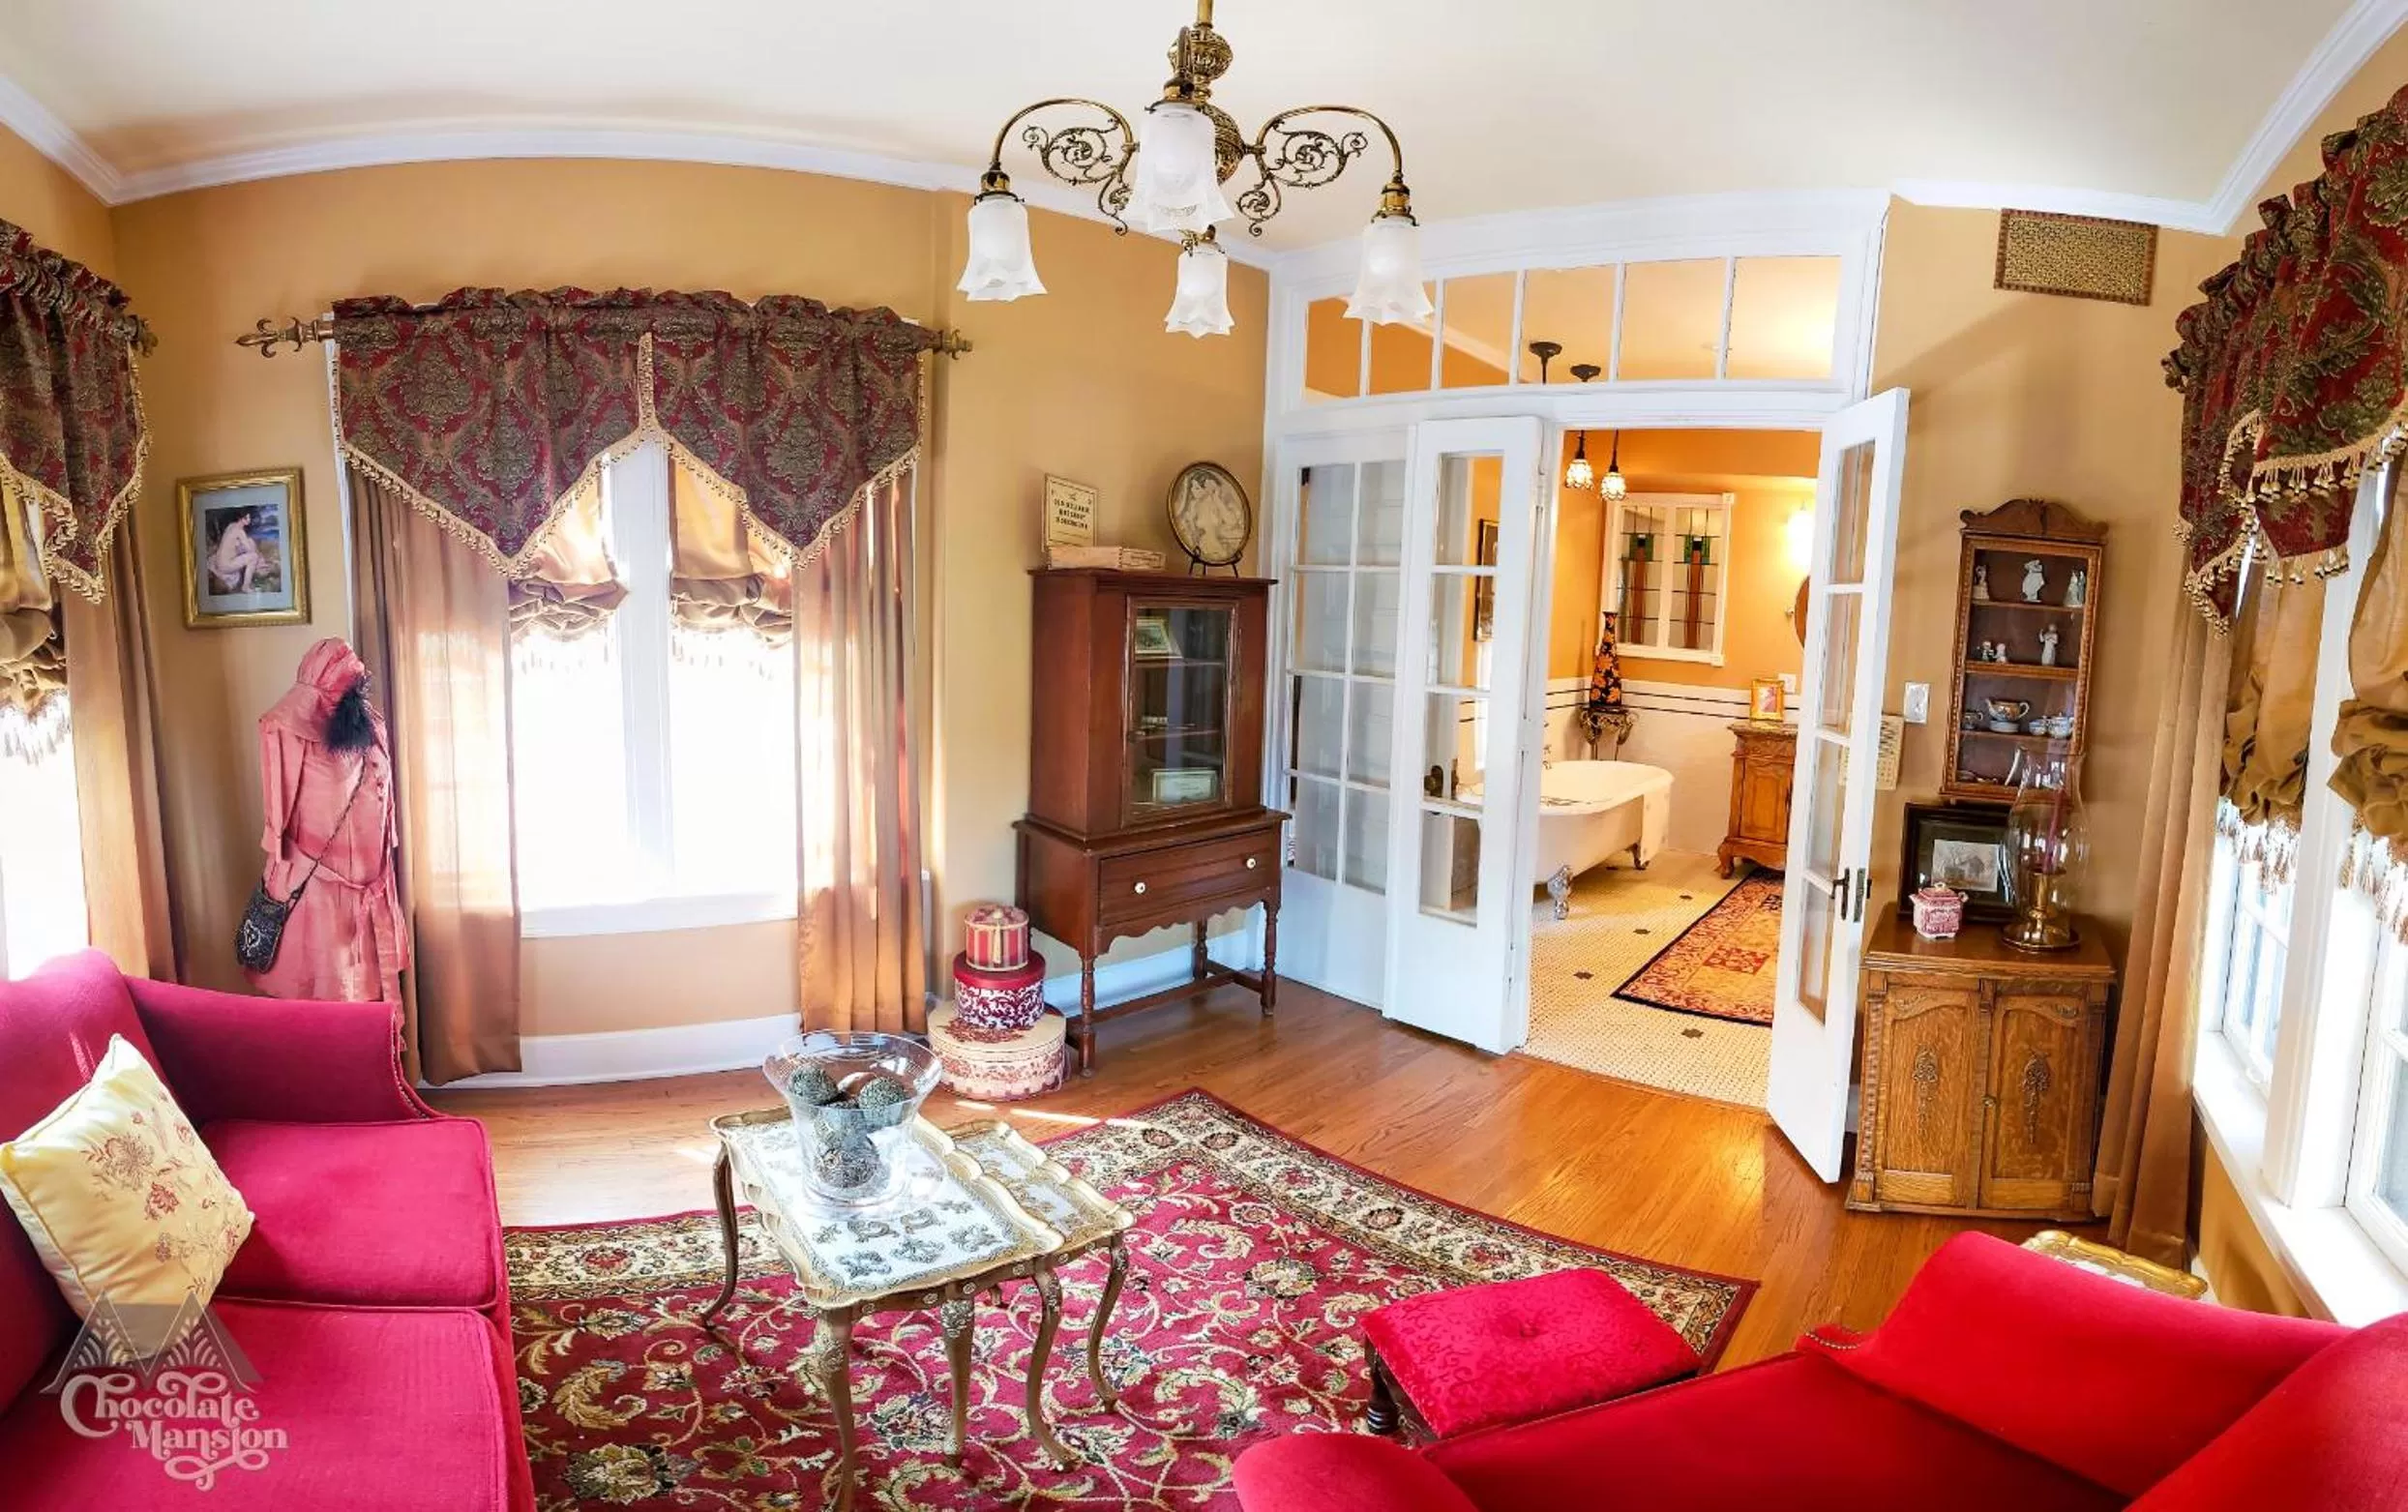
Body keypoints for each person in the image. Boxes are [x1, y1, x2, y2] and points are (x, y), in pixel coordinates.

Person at [245, 638, 409, 1002]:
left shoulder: (373, 726)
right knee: (315, 1007)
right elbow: (277, 829)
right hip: (313, 893)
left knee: (364, 1004)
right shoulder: (284, 729)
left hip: (373, 885)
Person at [208, 509, 264, 593]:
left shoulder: (231, 525)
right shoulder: (240, 531)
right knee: (254, 557)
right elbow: (249, 549)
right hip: (225, 566)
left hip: (219, 562)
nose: (249, 520)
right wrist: (259, 557)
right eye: (246, 518)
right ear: (240, 518)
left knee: (250, 541)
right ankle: (245, 587)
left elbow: (235, 543)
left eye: (249, 518)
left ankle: (258, 567)